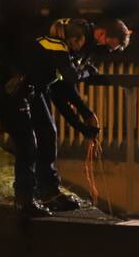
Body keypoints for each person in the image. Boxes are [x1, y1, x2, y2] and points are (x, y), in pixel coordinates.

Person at [0, 29, 100, 217]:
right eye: (80, 43)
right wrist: (87, 71)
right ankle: (25, 201)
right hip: (6, 94)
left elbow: (63, 94)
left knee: (36, 140)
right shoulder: (57, 49)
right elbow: (71, 79)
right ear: (75, 40)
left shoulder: (55, 53)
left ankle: (34, 197)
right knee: (27, 145)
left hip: (15, 94)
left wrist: (83, 125)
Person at [34, 18, 131, 211]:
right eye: (108, 46)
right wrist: (85, 73)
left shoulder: (82, 45)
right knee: (45, 136)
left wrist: (85, 116)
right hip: (32, 87)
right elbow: (66, 84)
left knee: (46, 135)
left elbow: (65, 87)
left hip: (39, 86)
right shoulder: (76, 42)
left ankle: (45, 191)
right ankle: (43, 192)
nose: (105, 51)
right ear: (102, 34)